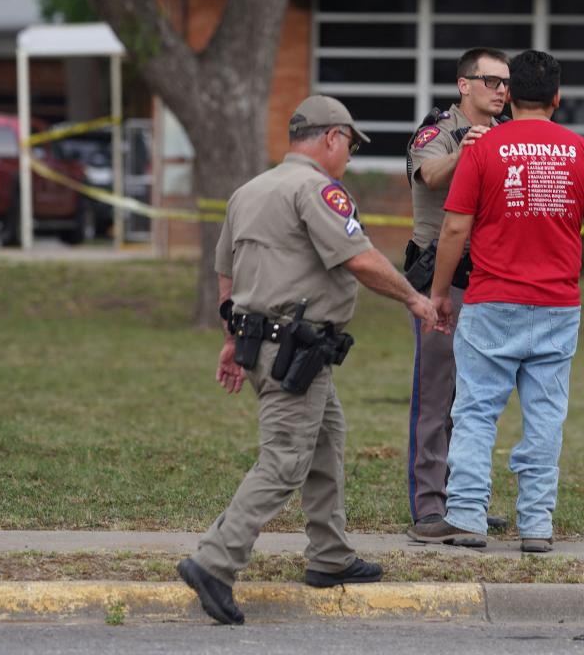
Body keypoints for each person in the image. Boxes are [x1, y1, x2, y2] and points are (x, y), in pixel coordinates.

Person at [178, 95, 439, 626]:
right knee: (284, 461)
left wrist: (232, 340)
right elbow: (358, 257)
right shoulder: (316, 189)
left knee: (326, 439)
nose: (348, 155)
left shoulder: (250, 189)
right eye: (349, 144)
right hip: (293, 346)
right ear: (331, 138)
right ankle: (215, 560)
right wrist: (414, 298)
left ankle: (329, 555)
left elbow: (227, 272)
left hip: (263, 343)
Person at [426, 50, 584, 553]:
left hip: (490, 302)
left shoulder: (483, 147)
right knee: (546, 417)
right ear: (557, 97)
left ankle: (466, 516)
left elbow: (455, 226)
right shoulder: (583, 152)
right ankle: (536, 526)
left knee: (476, 413)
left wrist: (440, 293)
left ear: (510, 94)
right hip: (557, 306)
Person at [403, 48, 510, 543]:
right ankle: (430, 507)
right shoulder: (438, 132)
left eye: (506, 83)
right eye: (491, 80)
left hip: (488, 282)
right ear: (464, 84)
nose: (501, 90)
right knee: (435, 395)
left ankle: (464, 502)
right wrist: (466, 150)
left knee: (475, 400)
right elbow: (428, 174)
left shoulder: (507, 133)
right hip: (440, 283)